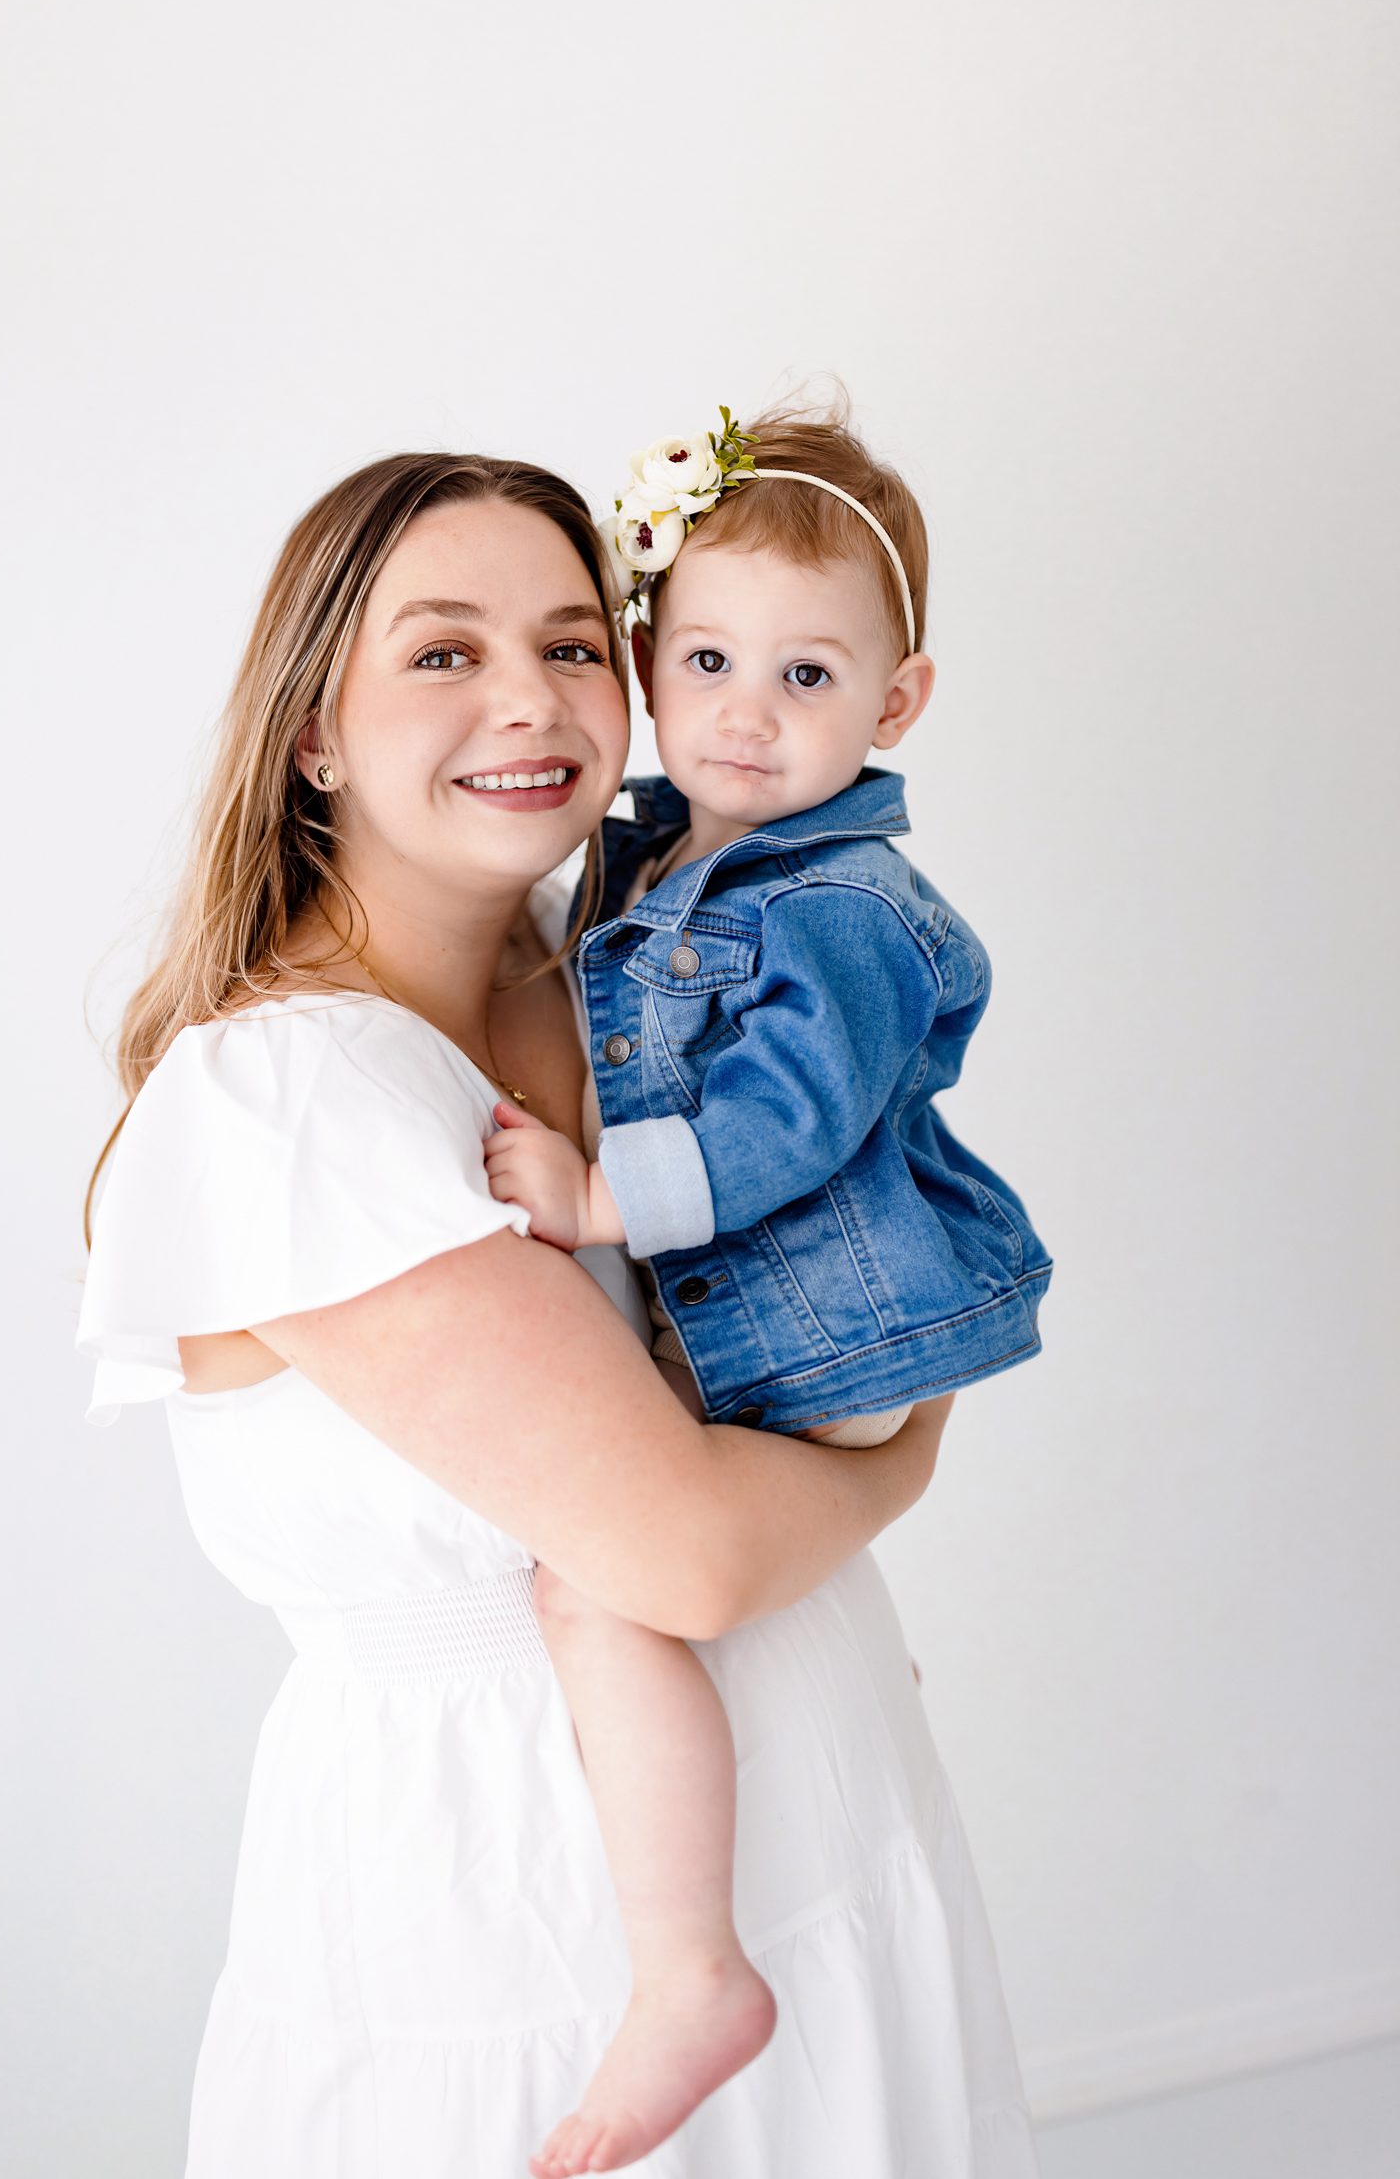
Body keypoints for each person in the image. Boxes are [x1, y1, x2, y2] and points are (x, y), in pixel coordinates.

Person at [75, 446, 1041, 2178]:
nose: (528, 698)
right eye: (443, 651)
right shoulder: (290, 1096)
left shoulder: (631, 972)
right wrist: (910, 1450)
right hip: (530, 1929)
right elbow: (689, 1557)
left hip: (833, 1836)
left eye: (576, 642)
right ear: (313, 731)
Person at [486, 401, 1053, 2172]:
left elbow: (791, 1124)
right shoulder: (674, 848)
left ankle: (689, 1971)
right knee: (677, 1590)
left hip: (833, 1316)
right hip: (817, 1323)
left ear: (898, 706)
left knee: (602, 1586)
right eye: (711, 658)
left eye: (810, 678)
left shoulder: (840, 906)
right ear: (651, 663)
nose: (748, 710)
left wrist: (595, 1195)